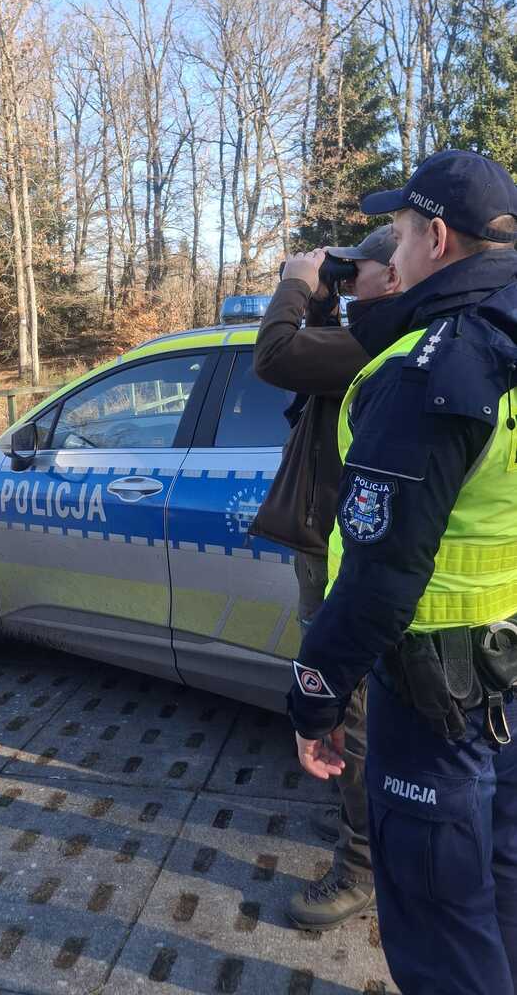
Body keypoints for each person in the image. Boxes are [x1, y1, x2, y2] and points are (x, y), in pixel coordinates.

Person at [287, 150, 517, 995]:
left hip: (432, 695)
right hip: (503, 672)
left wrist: (315, 697)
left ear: (436, 239)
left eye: (401, 231)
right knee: (498, 892)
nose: (392, 250)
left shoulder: (436, 366)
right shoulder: (503, 341)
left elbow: (381, 574)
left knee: (436, 923)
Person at [252, 223, 401, 928]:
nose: (345, 278)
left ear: (393, 278)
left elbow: (276, 356)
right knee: (349, 710)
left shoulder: (379, 344)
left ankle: (361, 866)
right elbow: (309, 365)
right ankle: (362, 820)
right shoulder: (364, 339)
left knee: (352, 712)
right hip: (332, 544)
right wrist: (323, 298)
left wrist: (295, 283)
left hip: (344, 556)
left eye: (357, 269)